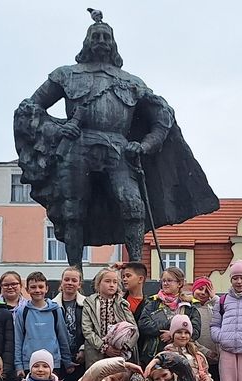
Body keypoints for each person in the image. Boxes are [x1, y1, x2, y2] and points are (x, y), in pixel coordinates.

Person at [13, 9, 217, 266]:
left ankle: (135, 269)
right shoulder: (65, 74)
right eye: (96, 36)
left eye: (106, 37)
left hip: (119, 148)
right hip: (77, 147)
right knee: (72, 210)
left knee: (133, 204)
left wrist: (144, 146)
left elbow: (162, 117)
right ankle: (74, 272)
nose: (101, 41)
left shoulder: (131, 82)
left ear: (113, 44)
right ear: (87, 42)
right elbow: (29, 108)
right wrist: (58, 129)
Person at [14, 271, 74, 381]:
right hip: (30, 364)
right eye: (33, 287)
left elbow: (62, 337)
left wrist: (67, 361)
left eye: (41, 287)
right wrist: (19, 366)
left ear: (46, 289)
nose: (37, 290)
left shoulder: (56, 311)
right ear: (27, 290)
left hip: (53, 363)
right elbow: (18, 340)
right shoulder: (22, 312)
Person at [138, 267, 201, 366]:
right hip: (153, 355)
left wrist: (172, 334)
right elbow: (143, 325)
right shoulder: (152, 303)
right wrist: (172, 324)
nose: (165, 283)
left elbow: (195, 332)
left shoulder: (189, 307)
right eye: (163, 281)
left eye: (169, 280)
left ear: (179, 284)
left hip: (182, 357)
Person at [81, 268, 137, 366]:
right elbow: (87, 330)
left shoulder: (122, 303)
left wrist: (123, 347)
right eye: (107, 281)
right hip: (96, 353)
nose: (111, 285)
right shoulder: (89, 303)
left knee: (117, 379)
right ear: (98, 283)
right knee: (97, 380)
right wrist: (104, 347)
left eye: (115, 282)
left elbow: (134, 329)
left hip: (119, 353)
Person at [54, 266, 87, 381]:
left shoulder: (86, 304)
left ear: (79, 284)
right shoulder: (52, 305)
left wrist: (83, 349)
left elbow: (90, 328)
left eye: (74, 280)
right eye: (66, 279)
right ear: (61, 282)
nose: (70, 283)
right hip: (60, 359)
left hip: (81, 358)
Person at [164, 313, 212, 381]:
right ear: (172, 334)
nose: (183, 336)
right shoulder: (166, 355)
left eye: (186, 333)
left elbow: (206, 374)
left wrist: (207, 380)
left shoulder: (198, 355)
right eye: (179, 332)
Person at [191, 277, 221, 381]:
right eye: (199, 289)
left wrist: (214, 298)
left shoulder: (215, 307)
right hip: (198, 357)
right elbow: (190, 336)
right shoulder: (190, 308)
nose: (203, 293)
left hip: (216, 359)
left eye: (207, 290)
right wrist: (205, 351)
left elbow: (224, 310)